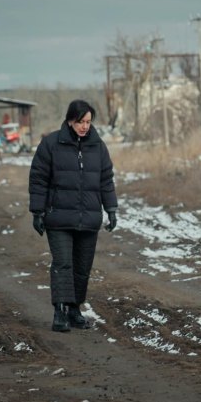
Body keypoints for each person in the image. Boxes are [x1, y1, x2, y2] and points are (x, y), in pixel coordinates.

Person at [28, 99, 118, 332]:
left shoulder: (98, 147)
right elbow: (38, 179)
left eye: (88, 122)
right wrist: (38, 212)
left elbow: (106, 180)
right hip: (58, 217)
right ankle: (60, 311)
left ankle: (75, 309)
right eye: (80, 121)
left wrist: (111, 209)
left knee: (82, 266)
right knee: (63, 264)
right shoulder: (51, 144)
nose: (85, 126)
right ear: (70, 120)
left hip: (88, 218)